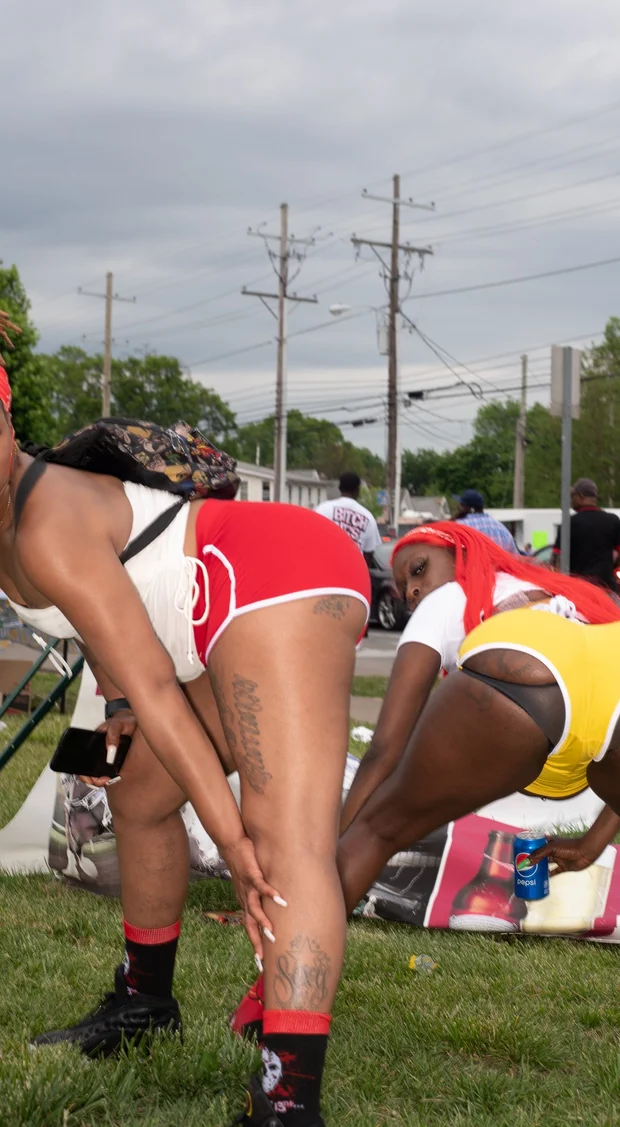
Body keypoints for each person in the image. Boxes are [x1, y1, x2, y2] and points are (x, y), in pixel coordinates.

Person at [0, 323, 368, 1126]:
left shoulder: (43, 519)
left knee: (282, 844)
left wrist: (231, 842)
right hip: (216, 611)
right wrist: (118, 709)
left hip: (275, 574)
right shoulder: (18, 518)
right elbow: (115, 621)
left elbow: (160, 690)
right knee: (137, 798)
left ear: (6, 414)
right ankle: (145, 1001)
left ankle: (286, 1102)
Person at [335, 522, 620, 1081]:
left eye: (418, 570)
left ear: (463, 553)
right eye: (401, 588)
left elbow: (385, 750)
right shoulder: (570, 591)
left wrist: (335, 852)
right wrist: (592, 844)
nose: (412, 591)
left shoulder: (448, 601)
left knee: (377, 830)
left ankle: (268, 1003)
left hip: (526, 668)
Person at [552, 478, 620, 590]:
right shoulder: (613, 520)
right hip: (606, 587)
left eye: (573, 496)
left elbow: (558, 559)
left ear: (581, 496)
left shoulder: (569, 523)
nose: (572, 500)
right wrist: (611, 568)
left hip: (580, 588)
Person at [315, 471, 381, 567]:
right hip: (353, 571)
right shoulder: (368, 517)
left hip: (324, 567)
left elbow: (312, 540)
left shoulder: (323, 509)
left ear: (339, 488)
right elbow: (368, 554)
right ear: (357, 490)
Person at [453, 488, 517, 553]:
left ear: (470, 508)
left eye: (461, 505)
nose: (458, 507)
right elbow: (515, 556)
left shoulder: (459, 526)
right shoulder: (502, 528)